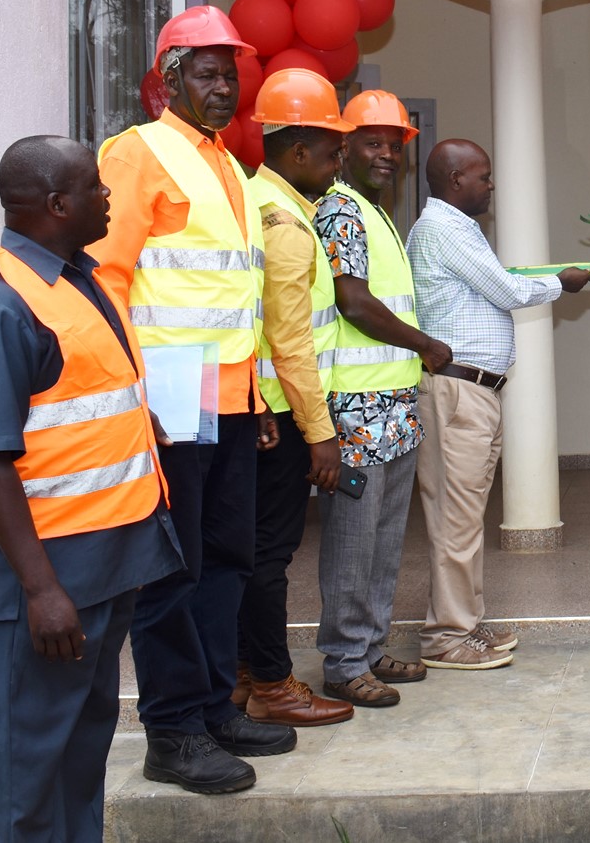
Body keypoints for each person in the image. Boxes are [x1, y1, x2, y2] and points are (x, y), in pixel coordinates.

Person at [0, 136, 185, 841]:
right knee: (32, 779)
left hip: (105, 567)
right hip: (44, 584)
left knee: (81, 760)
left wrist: (142, 425)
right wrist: (43, 591)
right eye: (95, 188)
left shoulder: (77, 278)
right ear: (56, 205)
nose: (109, 196)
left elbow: (78, 400)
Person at [89, 6, 293, 793]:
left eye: (230, 72)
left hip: (231, 400)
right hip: (169, 404)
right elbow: (107, 281)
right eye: (206, 72)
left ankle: (213, 705)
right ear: (167, 80)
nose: (223, 86)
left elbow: (237, 293)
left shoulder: (226, 164)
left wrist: (261, 394)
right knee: (172, 568)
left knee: (226, 559)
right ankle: (171, 728)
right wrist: (130, 396)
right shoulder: (137, 155)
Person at [406, 139, 590, 669]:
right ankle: (447, 637)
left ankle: (463, 620)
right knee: (456, 517)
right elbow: (507, 291)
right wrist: (563, 283)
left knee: (463, 516)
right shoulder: (443, 229)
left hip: (474, 392)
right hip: (458, 392)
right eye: (483, 176)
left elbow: (500, 286)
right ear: (455, 180)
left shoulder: (458, 230)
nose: (491, 185)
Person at [313, 90, 451, 706]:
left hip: (392, 407)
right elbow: (354, 302)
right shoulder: (340, 210)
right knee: (352, 542)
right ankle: (344, 662)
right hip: (354, 412)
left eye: (396, 145)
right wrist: (425, 344)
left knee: (387, 541)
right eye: (374, 142)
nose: (388, 155)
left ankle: (369, 649)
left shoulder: (377, 212)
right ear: (343, 147)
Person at [234, 69, 357, 728]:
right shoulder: (285, 223)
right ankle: (275, 684)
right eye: (334, 151)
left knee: (245, 551)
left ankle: (245, 672)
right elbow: (290, 339)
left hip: (252, 408)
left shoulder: (251, 201)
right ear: (300, 148)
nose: (339, 165)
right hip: (279, 414)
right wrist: (320, 430)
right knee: (268, 556)